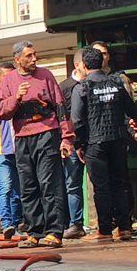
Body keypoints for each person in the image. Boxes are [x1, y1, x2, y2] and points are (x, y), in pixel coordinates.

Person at [69, 46, 137, 239]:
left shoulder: (81, 88)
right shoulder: (116, 83)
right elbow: (134, 110)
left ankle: (105, 230)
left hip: (95, 143)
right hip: (118, 140)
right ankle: (124, 227)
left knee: (101, 188)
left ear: (83, 65)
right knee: (119, 184)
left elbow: (77, 121)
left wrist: (79, 145)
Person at [0, 40, 69, 247]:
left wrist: (66, 137)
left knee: (49, 183)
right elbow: (1, 111)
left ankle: (54, 231)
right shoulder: (8, 80)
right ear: (17, 59)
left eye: (35, 54)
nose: (34, 59)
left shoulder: (46, 75)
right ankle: (34, 231)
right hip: (22, 138)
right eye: (29, 56)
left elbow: (60, 106)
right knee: (27, 185)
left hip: (47, 134)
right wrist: (16, 97)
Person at [59, 57, 89, 238]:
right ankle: (75, 223)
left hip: (93, 141)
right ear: (77, 64)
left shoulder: (94, 83)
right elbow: (61, 117)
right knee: (72, 184)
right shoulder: (64, 87)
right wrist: (67, 141)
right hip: (72, 144)